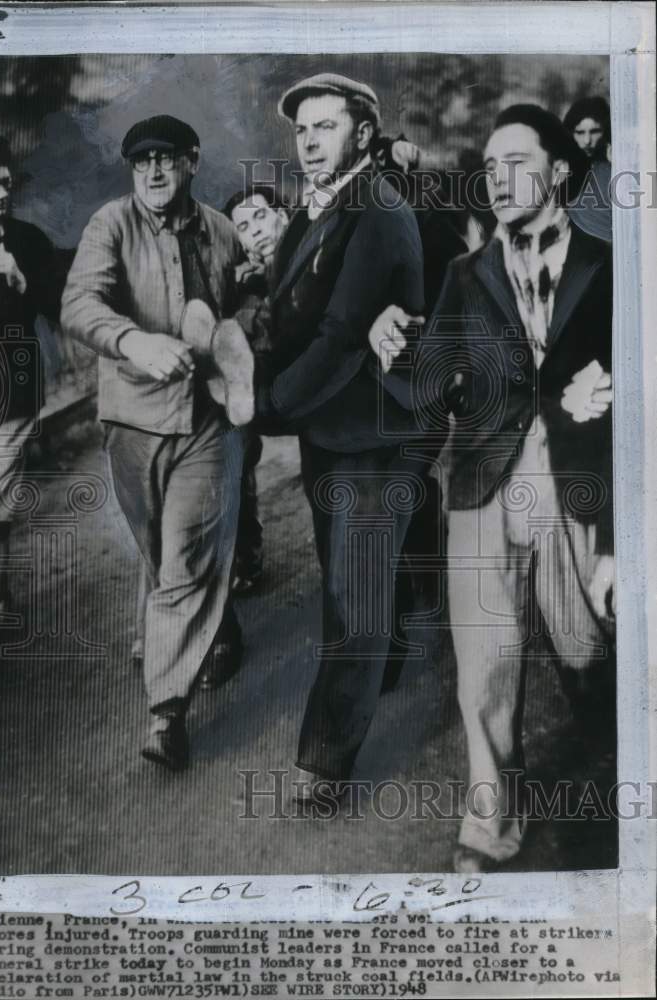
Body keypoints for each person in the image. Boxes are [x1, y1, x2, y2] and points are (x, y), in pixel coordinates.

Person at [371, 104, 613, 871]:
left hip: (575, 482)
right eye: (489, 166)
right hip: (481, 483)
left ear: (560, 171)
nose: (498, 179)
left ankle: (618, 765)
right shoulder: (464, 274)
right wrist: (389, 344)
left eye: (517, 162)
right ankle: (491, 821)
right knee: (484, 663)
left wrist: (609, 398)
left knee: (587, 648)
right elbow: (430, 384)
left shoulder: (611, 268)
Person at [254, 73, 432, 799]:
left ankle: (325, 762)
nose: (308, 141)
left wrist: (267, 406)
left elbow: (338, 334)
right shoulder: (317, 208)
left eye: (325, 126)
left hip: (374, 430)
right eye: (301, 130)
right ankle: (390, 651)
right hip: (333, 428)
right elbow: (287, 316)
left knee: (353, 593)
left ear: (363, 134)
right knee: (351, 570)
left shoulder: (378, 209)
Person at [61, 114, 255, 770]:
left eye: (165, 158)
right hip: (133, 424)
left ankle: (165, 715)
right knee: (158, 551)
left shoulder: (221, 232)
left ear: (191, 161)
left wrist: (243, 318)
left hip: (206, 424)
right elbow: (79, 305)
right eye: (141, 162)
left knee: (185, 558)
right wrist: (134, 341)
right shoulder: (110, 225)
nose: (152, 171)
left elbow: (247, 306)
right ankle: (218, 628)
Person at [0, 130, 61, 627]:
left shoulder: (27, 242)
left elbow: (62, 307)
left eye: (7, 184)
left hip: (10, 401)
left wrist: (21, 281)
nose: (3, 194)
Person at [224, 185, 290, 593]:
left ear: (283, 216)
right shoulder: (243, 288)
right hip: (269, 392)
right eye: (244, 227)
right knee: (232, 441)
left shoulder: (315, 256)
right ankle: (243, 555)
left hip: (325, 386)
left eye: (261, 217)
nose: (257, 231)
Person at [563, 96, 612, 242]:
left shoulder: (610, 167)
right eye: (580, 132)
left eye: (595, 131)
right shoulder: (563, 169)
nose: (587, 140)